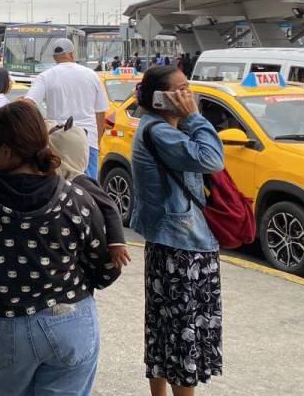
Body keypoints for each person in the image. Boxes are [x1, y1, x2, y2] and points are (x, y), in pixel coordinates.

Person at [0, 101, 125, 396]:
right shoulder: (75, 198)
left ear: (6, 150)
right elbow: (105, 269)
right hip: (69, 320)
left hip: (4, 325)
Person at [129, 66, 226, 394]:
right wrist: (195, 117)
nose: (189, 94)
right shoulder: (160, 132)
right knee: (183, 337)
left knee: (163, 331)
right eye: (182, 89)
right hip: (182, 248)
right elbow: (212, 159)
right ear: (161, 98)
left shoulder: (158, 127)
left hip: (169, 243)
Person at [23, 38, 109, 179]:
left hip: (58, 140)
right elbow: (100, 113)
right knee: (89, 187)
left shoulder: (45, 76)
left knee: (59, 186)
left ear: (54, 57)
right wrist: (97, 139)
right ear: (72, 54)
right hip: (87, 138)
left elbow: (28, 104)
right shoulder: (92, 75)